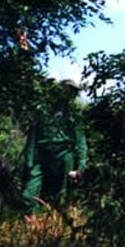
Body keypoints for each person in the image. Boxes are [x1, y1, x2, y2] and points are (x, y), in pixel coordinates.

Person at [22, 78, 87, 210]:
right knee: (29, 194)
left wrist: (81, 166)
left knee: (61, 196)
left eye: (72, 92)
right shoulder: (42, 110)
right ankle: (33, 224)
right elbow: (32, 138)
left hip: (64, 155)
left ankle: (56, 226)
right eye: (66, 89)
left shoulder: (74, 114)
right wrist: (29, 163)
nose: (68, 94)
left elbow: (81, 141)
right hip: (43, 156)